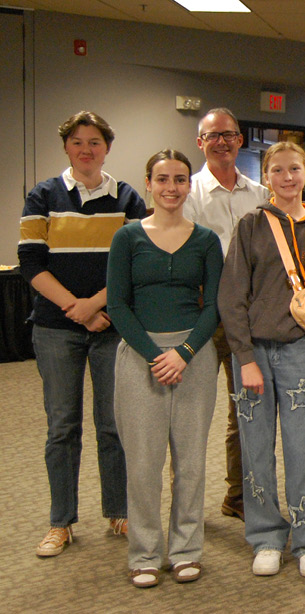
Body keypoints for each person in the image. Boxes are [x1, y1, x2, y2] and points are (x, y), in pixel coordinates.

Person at [20, 111, 145, 558]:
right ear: (67, 147)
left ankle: (118, 511)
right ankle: (61, 522)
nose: (86, 149)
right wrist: (78, 309)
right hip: (56, 329)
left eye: (94, 142)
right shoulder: (43, 195)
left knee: (113, 425)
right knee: (62, 427)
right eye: (77, 142)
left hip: (110, 327)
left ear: (106, 147)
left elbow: (136, 265)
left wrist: (96, 306)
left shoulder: (127, 198)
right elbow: (31, 264)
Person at [218, 141, 305, 578]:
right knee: (256, 447)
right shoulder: (250, 225)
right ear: (266, 177)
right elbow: (231, 297)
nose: (287, 177)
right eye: (278, 170)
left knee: (303, 449)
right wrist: (243, 356)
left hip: (299, 352)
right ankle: (266, 536)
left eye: (295, 170)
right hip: (254, 354)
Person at [107, 150, 222, 587]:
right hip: (140, 359)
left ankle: (186, 549)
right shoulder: (128, 238)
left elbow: (213, 305)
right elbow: (117, 304)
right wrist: (155, 355)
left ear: (188, 185)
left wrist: (186, 352)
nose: (171, 187)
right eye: (162, 179)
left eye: (179, 179)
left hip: (193, 356)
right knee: (143, 463)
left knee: (191, 462)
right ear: (148, 184)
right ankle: (144, 553)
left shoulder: (206, 240)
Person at [183, 107, 270, 522]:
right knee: (192, 411)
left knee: (244, 409)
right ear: (200, 142)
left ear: (240, 141)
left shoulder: (259, 194)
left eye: (229, 135)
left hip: (245, 319)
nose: (222, 141)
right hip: (201, 317)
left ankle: (238, 494)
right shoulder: (188, 193)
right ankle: (185, 504)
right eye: (212, 135)